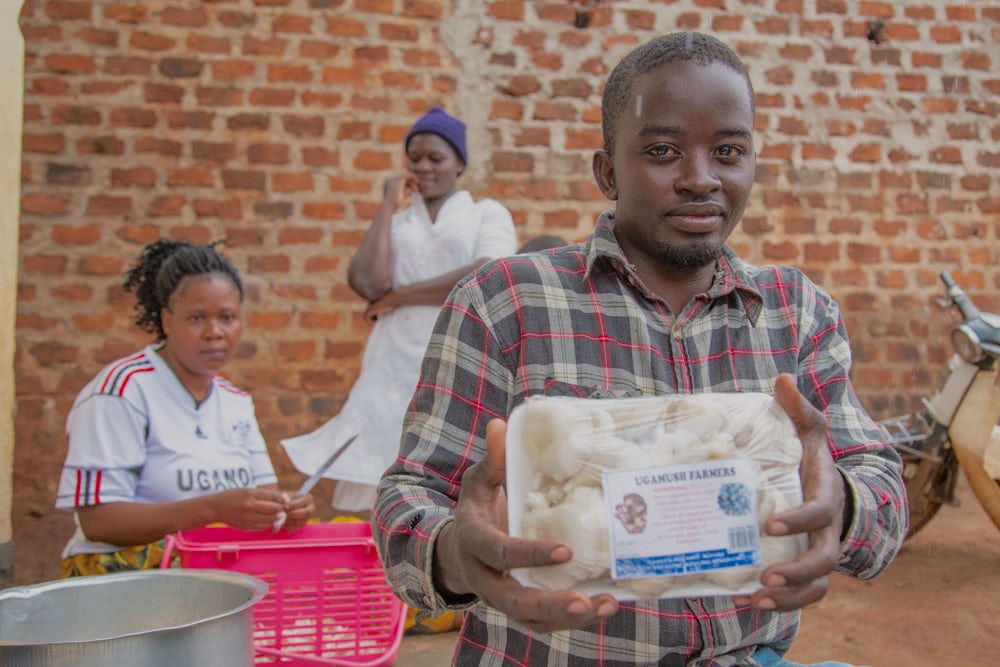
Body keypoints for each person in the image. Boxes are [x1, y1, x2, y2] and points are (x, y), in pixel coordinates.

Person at [371, 32, 907, 666]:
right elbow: (408, 499)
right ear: (607, 172)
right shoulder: (506, 302)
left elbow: (882, 487)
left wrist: (841, 505)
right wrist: (459, 553)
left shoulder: (795, 311)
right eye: (662, 150)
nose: (700, 179)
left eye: (729, 151)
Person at [280, 106, 517, 516]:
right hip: (392, 363)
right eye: (415, 159)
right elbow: (367, 284)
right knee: (380, 471)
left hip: (459, 355)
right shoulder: (400, 224)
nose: (423, 167)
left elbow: (489, 271)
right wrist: (388, 203)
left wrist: (399, 296)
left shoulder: (486, 214)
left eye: (436, 158)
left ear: (459, 162)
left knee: (454, 478)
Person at [56, 239, 315, 577]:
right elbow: (99, 522)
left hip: (214, 568)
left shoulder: (234, 401)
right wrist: (212, 509)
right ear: (166, 319)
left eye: (227, 317)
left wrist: (285, 509)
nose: (214, 333)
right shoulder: (122, 391)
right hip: (127, 576)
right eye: (196, 318)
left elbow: (261, 498)